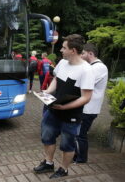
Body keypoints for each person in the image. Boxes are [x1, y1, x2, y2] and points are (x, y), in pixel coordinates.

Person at [33, 34, 94, 179]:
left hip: (71, 116)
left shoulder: (86, 70)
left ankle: (64, 169)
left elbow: (86, 97)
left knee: (67, 145)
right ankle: (48, 162)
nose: (61, 50)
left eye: (64, 47)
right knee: (47, 137)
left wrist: (65, 108)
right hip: (53, 111)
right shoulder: (62, 63)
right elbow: (56, 79)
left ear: (73, 50)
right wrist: (47, 92)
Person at [74, 43, 108, 163]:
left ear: (90, 53)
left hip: (89, 108)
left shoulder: (98, 67)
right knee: (78, 133)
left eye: (83, 53)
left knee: (81, 134)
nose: (81, 56)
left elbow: (84, 84)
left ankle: (81, 159)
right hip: (87, 107)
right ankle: (77, 156)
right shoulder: (93, 67)